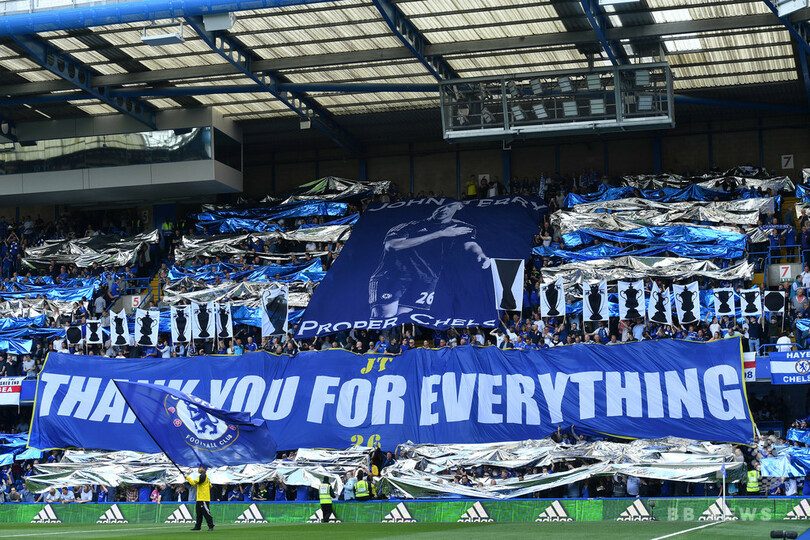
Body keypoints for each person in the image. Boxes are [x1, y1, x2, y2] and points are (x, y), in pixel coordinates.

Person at [368, 201, 490, 318]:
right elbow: (393, 245)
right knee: (385, 315)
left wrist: (480, 254)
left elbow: (469, 244)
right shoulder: (409, 226)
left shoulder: (462, 227)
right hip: (394, 275)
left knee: (405, 315)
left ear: (459, 207)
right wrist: (439, 233)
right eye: (441, 207)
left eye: (449, 206)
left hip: (426, 278)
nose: (444, 209)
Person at [186, 464, 214, 531]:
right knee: (199, 513)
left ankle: (211, 525)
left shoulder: (202, 476)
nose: (198, 469)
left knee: (206, 512)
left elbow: (193, 483)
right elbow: (210, 485)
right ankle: (197, 526)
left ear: (204, 469)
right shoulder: (206, 477)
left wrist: (187, 477)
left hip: (203, 498)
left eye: (200, 468)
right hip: (200, 498)